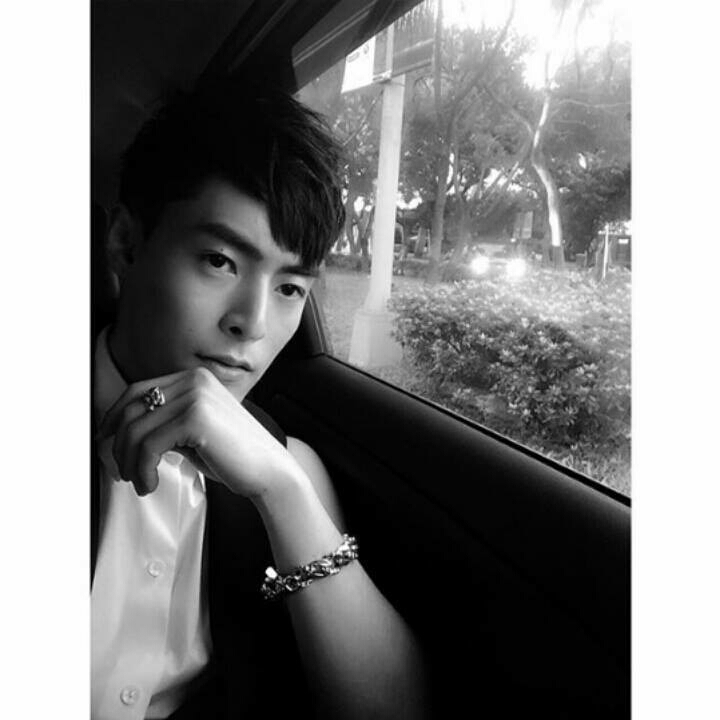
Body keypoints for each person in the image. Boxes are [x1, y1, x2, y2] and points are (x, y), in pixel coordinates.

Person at [91, 78, 426, 720]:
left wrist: (283, 490)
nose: (253, 322)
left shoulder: (287, 465)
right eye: (220, 261)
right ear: (127, 245)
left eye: (290, 288)